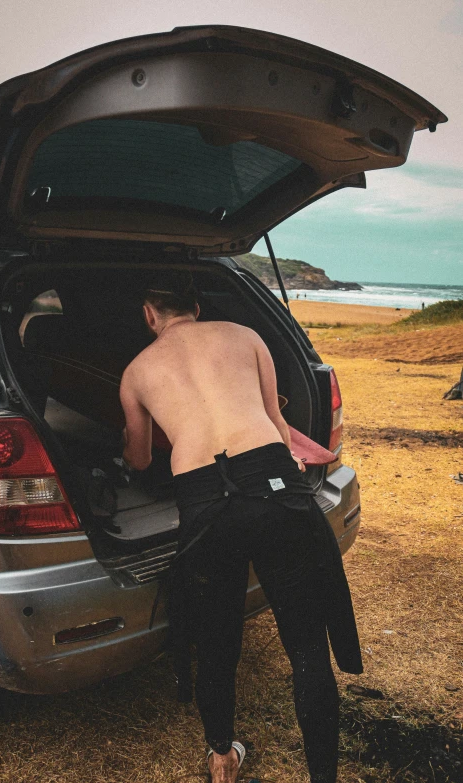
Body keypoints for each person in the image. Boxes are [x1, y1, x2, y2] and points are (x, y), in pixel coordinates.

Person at [119, 269, 363, 783]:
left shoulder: (137, 371)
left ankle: (221, 756)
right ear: (198, 306)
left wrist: (128, 440)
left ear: (148, 315)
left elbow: (139, 461)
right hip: (273, 484)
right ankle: (324, 775)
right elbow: (276, 423)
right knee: (304, 642)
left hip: (208, 506)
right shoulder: (246, 337)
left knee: (217, 639)